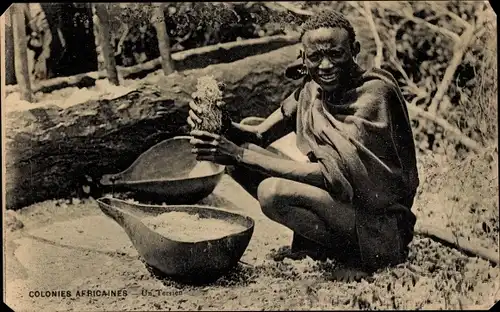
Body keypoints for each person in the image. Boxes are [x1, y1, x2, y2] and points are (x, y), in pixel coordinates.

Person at [187, 10, 419, 281]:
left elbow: (335, 176)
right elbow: (259, 134)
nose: (325, 66)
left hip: (378, 225)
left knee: (272, 192)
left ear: (354, 50)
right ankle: (319, 246)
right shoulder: (313, 89)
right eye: (315, 57)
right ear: (303, 56)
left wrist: (238, 154)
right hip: (342, 205)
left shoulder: (373, 94)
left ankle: (355, 257)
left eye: (335, 54)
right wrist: (219, 122)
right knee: (241, 153)